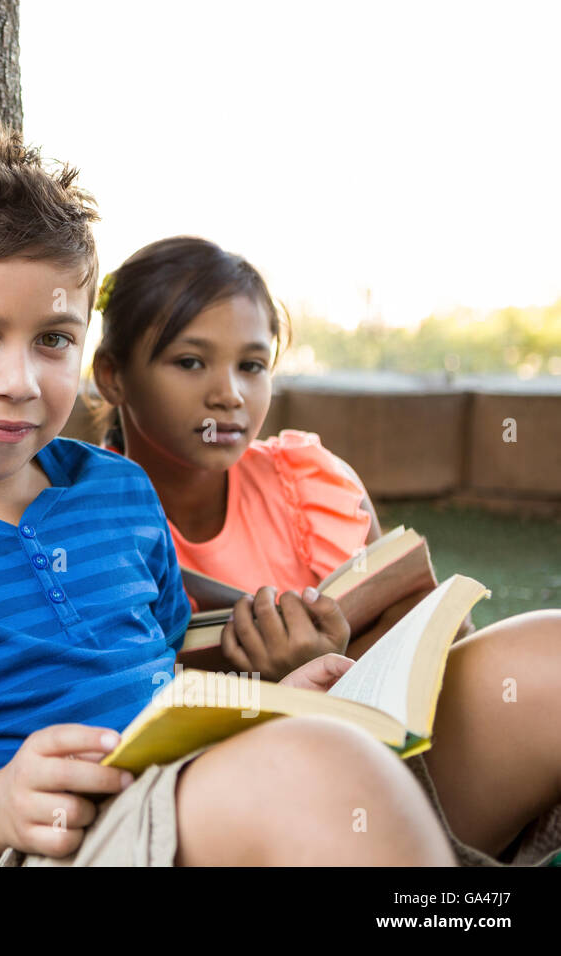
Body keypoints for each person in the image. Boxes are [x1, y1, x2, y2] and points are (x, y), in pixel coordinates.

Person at [0, 126, 461, 867]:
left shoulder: (118, 493)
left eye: (52, 340)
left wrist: (274, 693)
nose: (19, 381)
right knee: (327, 774)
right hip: (41, 845)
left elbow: (162, 675)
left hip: (180, 801)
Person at [92, 236, 561, 864]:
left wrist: (346, 663)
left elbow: (427, 648)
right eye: (190, 362)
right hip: (235, 813)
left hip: (407, 772)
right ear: (112, 375)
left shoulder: (308, 482)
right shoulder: (87, 525)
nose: (228, 393)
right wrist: (279, 690)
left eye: (252, 366)